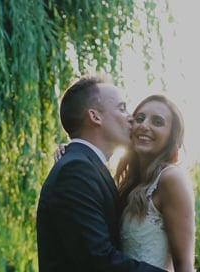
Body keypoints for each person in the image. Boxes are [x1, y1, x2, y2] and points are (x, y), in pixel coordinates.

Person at [36, 74, 167, 272]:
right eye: (122, 108)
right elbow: (98, 260)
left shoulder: (85, 165)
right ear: (95, 117)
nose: (131, 117)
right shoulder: (75, 172)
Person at [55, 94, 196, 272]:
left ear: (171, 136)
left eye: (158, 122)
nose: (144, 126)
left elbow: (185, 265)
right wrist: (74, 152)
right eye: (139, 118)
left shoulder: (171, 179)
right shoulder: (127, 186)